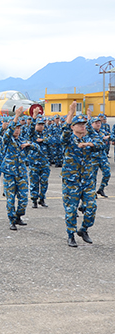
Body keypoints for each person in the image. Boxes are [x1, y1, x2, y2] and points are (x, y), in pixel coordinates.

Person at [61, 103, 100, 247]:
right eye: (79, 124)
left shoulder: (89, 140)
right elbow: (64, 134)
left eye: (84, 124)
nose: (82, 126)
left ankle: (83, 230)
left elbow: (101, 143)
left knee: (91, 207)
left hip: (87, 180)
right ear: (73, 126)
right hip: (71, 180)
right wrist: (71, 113)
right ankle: (71, 235)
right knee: (71, 209)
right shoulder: (69, 140)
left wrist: (89, 144)